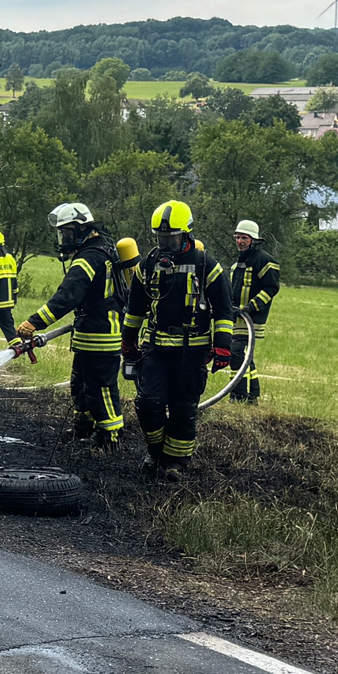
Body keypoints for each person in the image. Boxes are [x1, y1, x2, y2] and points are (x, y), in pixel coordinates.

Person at [121, 201, 233, 482]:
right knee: (148, 402)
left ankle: (176, 461)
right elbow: (135, 309)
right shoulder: (147, 264)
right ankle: (155, 450)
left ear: (186, 234)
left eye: (170, 237)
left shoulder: (205, 264)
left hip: (192, 350)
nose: (165, 243)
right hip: (156, 347)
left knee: (184, 406)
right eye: (160, 237)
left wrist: (222, 346)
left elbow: (223, 309)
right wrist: (128, 342)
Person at [16, 203, 123, 448]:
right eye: (62, 234)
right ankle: (83, 430)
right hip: (89, 334)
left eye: (68, 234)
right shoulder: (100, 250)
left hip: (102, 335)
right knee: (81, 385)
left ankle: (110, 437)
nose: (64, 239)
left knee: (100, 389)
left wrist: (34, 322)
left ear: (83, 229)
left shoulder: (90, 257)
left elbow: (67, 296)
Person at [229, 219, 279, 403]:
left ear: (254, 240)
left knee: (236, 353)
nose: (240, 241)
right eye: (238, 237)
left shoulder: (264, 261)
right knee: (246, 358)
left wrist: (251, 307)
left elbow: (271, 288)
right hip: (238, 318)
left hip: (251, 319)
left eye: (244, 238)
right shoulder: (239, 263)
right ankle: (252, 396)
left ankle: (238, 395)